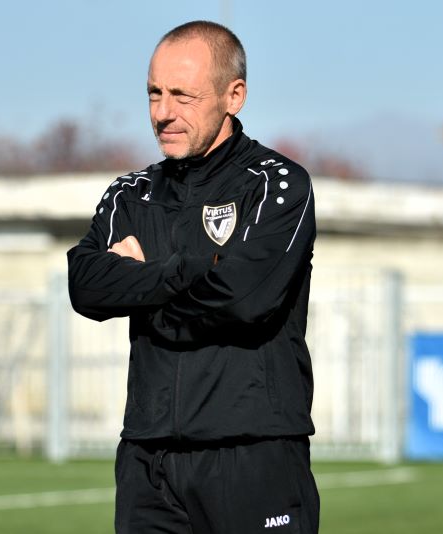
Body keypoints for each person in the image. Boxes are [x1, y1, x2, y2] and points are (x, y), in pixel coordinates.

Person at [68, 20, 319, 534]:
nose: (163, 112)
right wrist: (192, 272)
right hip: (148, 460)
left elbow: (244, 299)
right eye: (154, 93)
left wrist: (140, 284)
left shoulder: (276, 185)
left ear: (234, 96)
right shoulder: (130, 195)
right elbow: (85, 285)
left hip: (252, 451)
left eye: (183, 96)